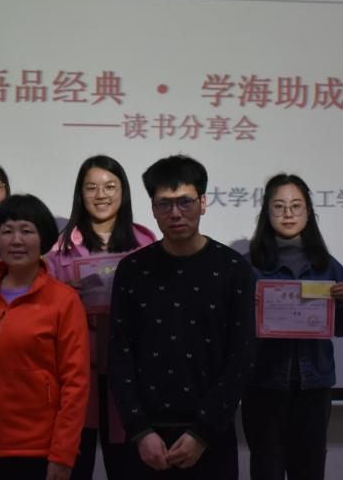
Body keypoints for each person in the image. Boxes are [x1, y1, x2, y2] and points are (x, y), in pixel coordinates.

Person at [109, 154, 254, 479]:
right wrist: (140, 430)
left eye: (185, 202)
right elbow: (120, 355)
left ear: (203, 203)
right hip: (145, 441)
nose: (175, 213)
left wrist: (203, 431)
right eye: (164, 204)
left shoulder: (233, 269)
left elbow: (241, 358)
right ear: (152, 208)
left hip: (211, 437)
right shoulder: (132, 270)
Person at [240, 174, 343, 480]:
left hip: (313, 387)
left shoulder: (328, 266)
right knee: (266, 469)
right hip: (263, 384)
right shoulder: (247, 266)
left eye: (296, 206)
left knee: (309, 470)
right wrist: (246, 308)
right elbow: (230, 330)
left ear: (308, 212)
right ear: (267, 212)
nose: (288, 214)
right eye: (279, 206)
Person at [46, 155, 155, 480]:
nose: (101, 195)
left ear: (123, 191)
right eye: (91, 187)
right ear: (80, 194)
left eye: (110, 186)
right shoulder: (59, 250)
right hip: (77, 375)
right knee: (75, 466)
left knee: (129, 469)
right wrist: (64, 300)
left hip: (132, 375)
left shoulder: (145, 243)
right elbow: (43, 314)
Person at [0, 194, 90, 480]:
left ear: (43, 237)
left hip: (41, 450)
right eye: (7, 231)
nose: (16, 241)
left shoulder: (64, 300)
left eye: (26, 231)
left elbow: (76, 385)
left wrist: (63, 453)